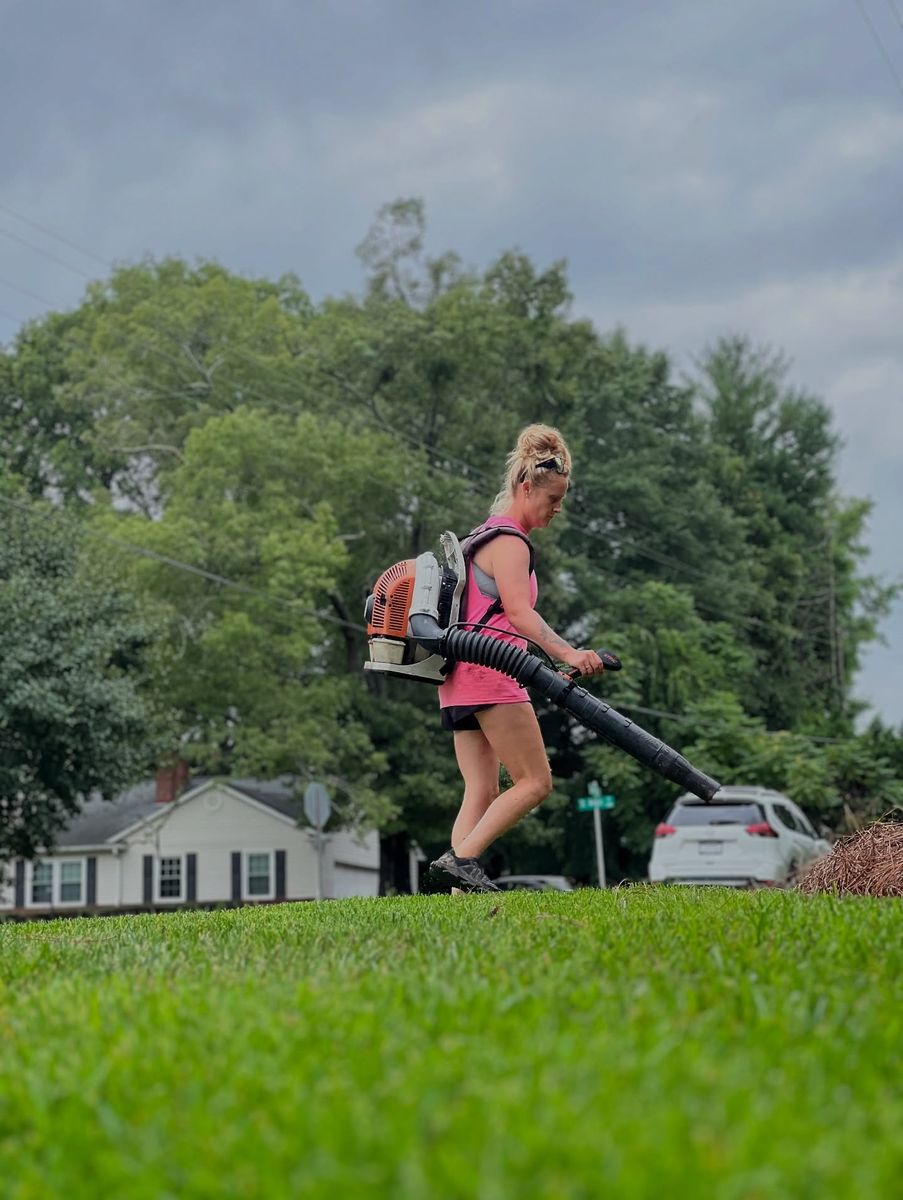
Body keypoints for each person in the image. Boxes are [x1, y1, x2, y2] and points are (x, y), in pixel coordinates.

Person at [430, 424, 605, 893]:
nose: (558, 508)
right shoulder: (509, 541)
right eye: (552, 499)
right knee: (535, 781)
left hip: (457, 680)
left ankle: (456, 893)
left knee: (482, 790)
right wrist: (568, 650)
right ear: (526, 487)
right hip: (492, 674)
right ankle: (461, 862)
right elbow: (518, 613)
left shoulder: (481, 536)